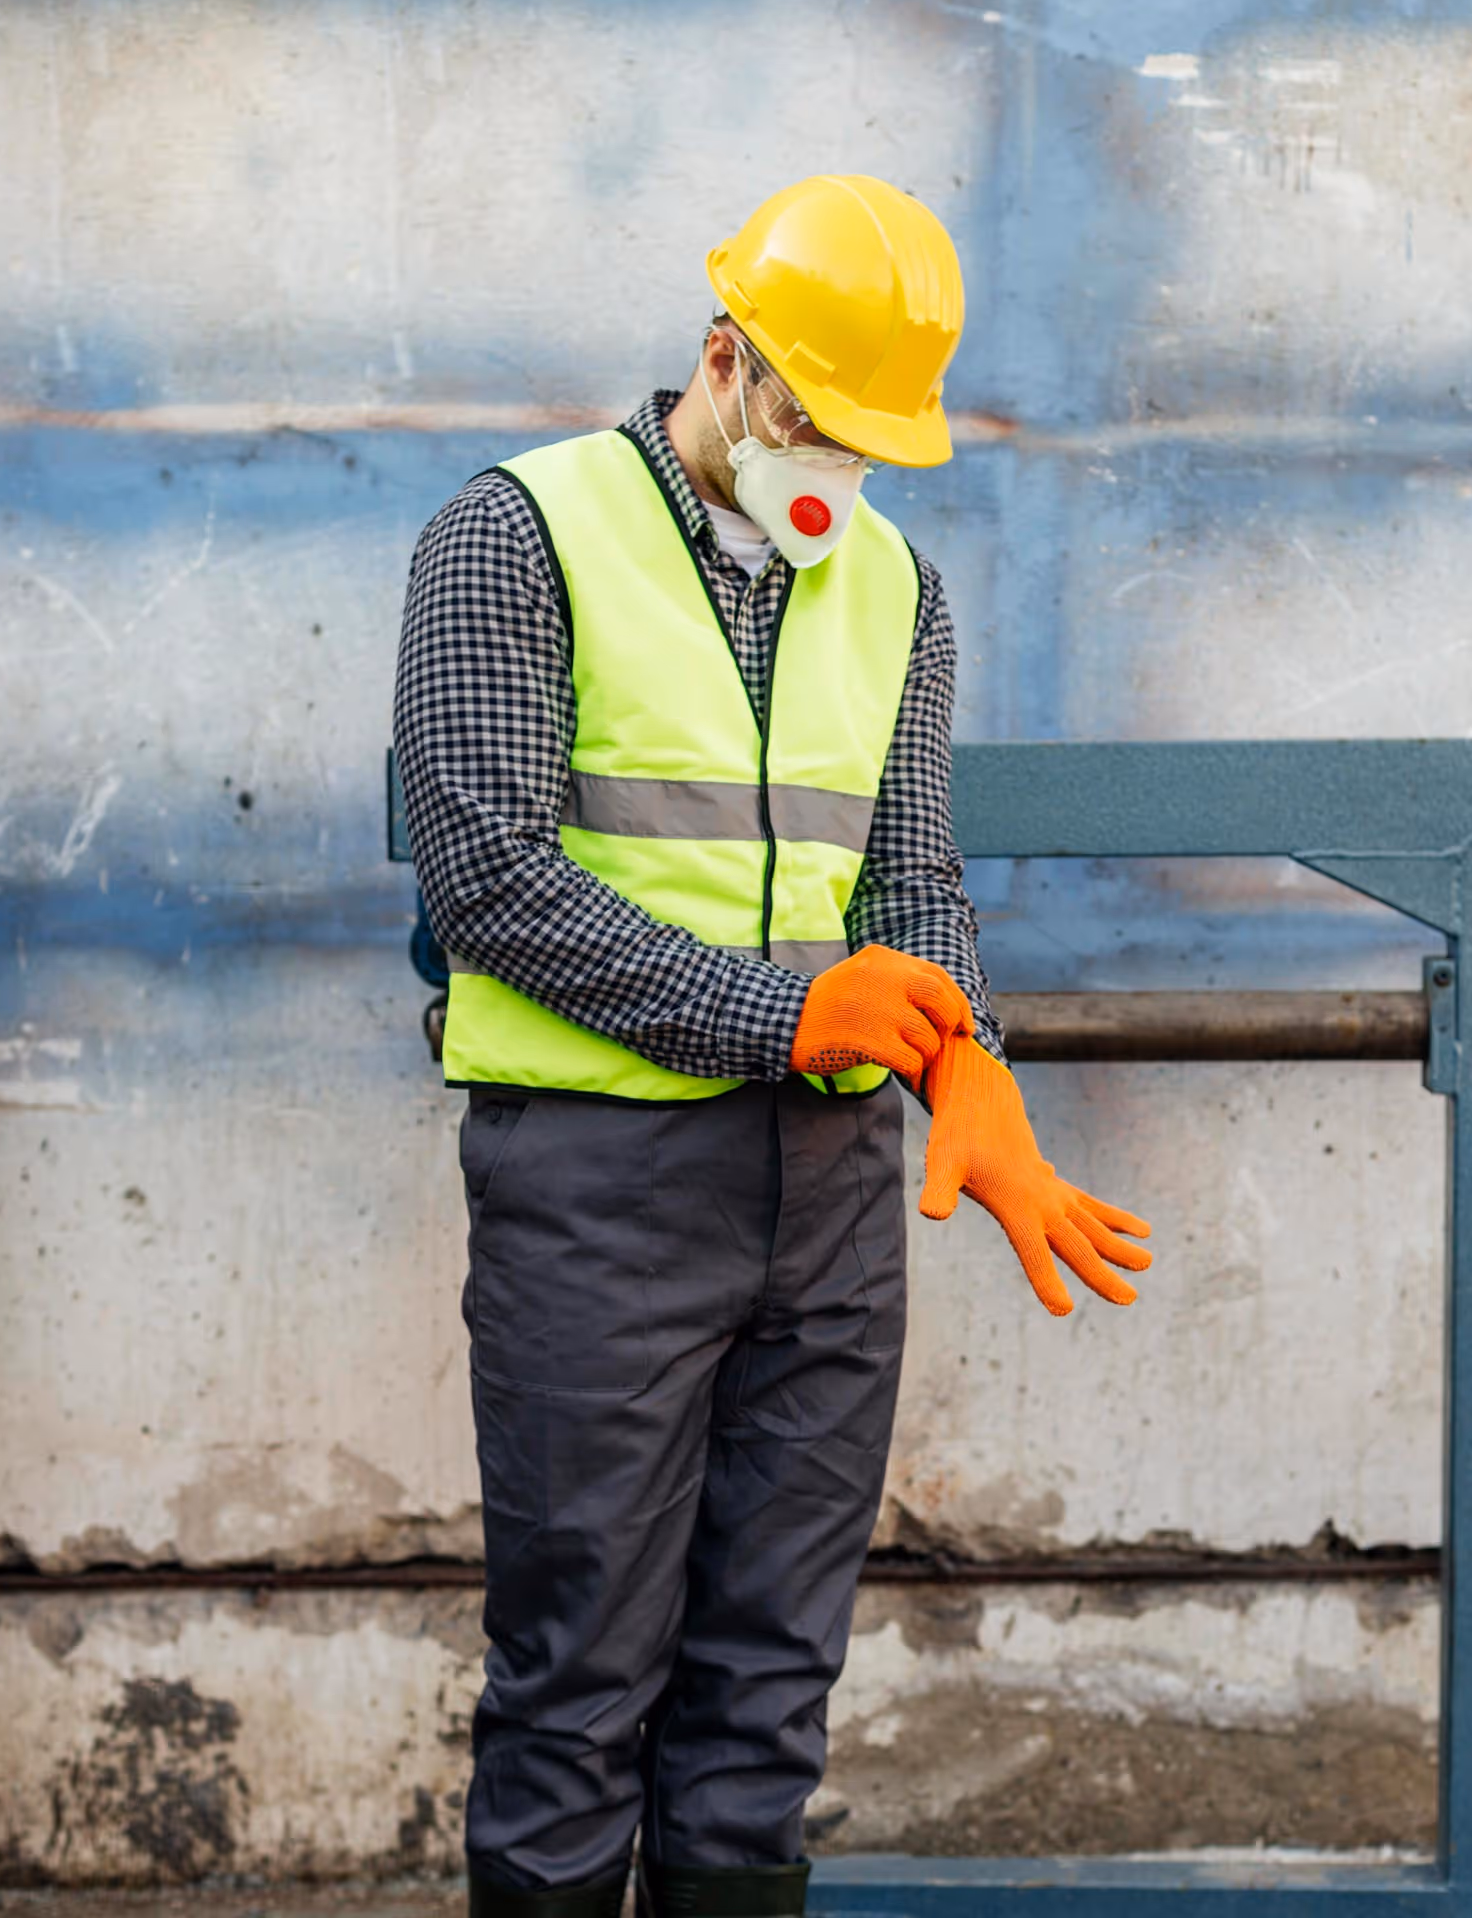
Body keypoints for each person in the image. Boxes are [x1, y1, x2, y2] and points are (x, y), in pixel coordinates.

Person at [392, 173, 1152, 1918]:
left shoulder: (894, 587)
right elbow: (489, 877)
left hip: (824, 1203)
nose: (838, 469)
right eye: (815, 421)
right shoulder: (517, 535)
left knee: (765, 1705)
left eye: (872, 440)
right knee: (580, 1688)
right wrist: (783, 1008)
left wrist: (966, 1057)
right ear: (723, 361)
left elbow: (907, 878)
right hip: (597, 1188)